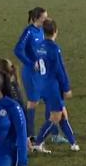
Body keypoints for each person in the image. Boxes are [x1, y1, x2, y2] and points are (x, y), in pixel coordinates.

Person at [14, 6, 61, 151]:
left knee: (50, 99)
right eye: (44, 17)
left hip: (42, 71)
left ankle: (54, 134)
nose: (46, 19)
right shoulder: (29, 32)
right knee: (33, 103)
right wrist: (30, 62)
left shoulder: (42, 31)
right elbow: (17, 49)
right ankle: (30, 136)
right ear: (36, 19)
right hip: (31, 73)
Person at [32, 19, 79, 151]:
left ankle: (73, 143)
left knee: (62, 113)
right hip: (53, 86)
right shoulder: (54, 48)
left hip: (43, 84)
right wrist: (66, 88)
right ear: (56, 32)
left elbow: (36, 65)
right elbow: (59, 69)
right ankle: (38, 143)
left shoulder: (39, 46)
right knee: (56, 117)